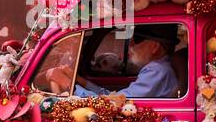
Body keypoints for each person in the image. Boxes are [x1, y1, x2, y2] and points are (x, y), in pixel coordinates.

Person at [45, 29, 180, 98]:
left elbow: (117, 105)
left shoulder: (157, 70)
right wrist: (80, 81)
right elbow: (117, 98)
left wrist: (68, 84)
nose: (131, 44)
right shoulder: (160, 68)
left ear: (154, 46)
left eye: (136, 40)